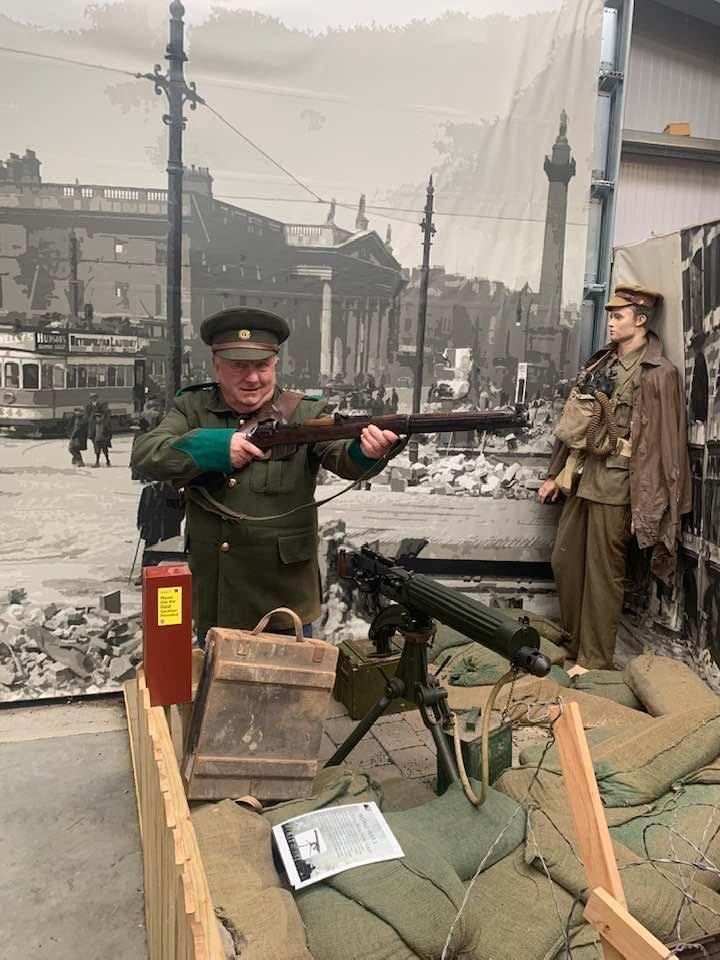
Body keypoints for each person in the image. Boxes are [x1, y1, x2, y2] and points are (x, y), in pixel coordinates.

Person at [131, 306, 400, 642]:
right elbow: (145, 454)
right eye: (238, 366)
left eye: (261, 365)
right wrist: (217, 448)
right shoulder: (192, 408)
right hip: (216, 596)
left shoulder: (304, 412)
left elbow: (342, 457)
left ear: (276, 362)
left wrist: (368, 451)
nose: (252, 378)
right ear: (216, 364)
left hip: (283, 602)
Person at [538, 284, 691, 670]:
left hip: (619, 485)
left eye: (618, 316)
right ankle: (574, 645)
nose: (610, 322)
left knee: (603, 575)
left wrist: (664, 502)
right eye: (610, 315)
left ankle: (594, 658)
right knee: (565, 561)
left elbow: (667, 444)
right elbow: (575, 421)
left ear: (640, 320)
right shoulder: (600, 364)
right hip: (582, 477)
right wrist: (554, 473)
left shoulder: (659, 374)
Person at [89, 400, 112, 467]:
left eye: (99, 417)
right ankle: (97, 462)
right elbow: (92, 431)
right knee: (97, 452)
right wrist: (92, 437)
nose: (97, 418)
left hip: (103, 439)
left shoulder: (105, 424)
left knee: (105, 452)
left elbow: (109, 432)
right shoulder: (95, 424)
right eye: (96, 417)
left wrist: (108, 438)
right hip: (97, 439)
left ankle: (108, 461)